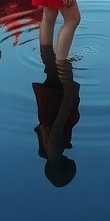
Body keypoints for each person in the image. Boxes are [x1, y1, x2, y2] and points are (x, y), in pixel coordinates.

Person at [32, 43, 80, 188]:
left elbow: (59, 123)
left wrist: (69, 94)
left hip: (57, 98)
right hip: (52, 100)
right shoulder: (47, 151)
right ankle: (46, 30)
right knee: (51, 68)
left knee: (54, 67)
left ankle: (49, 27)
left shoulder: (54, 152)